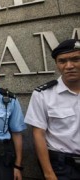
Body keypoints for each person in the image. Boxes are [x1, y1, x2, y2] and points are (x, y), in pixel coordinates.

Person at [25, 39, 80, 179]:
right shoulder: (43, 94)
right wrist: (49, 174)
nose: (69, 66)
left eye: (76, 59)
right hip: (62, 166)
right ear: (57, 64)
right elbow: (38, 135)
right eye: (62, 61)